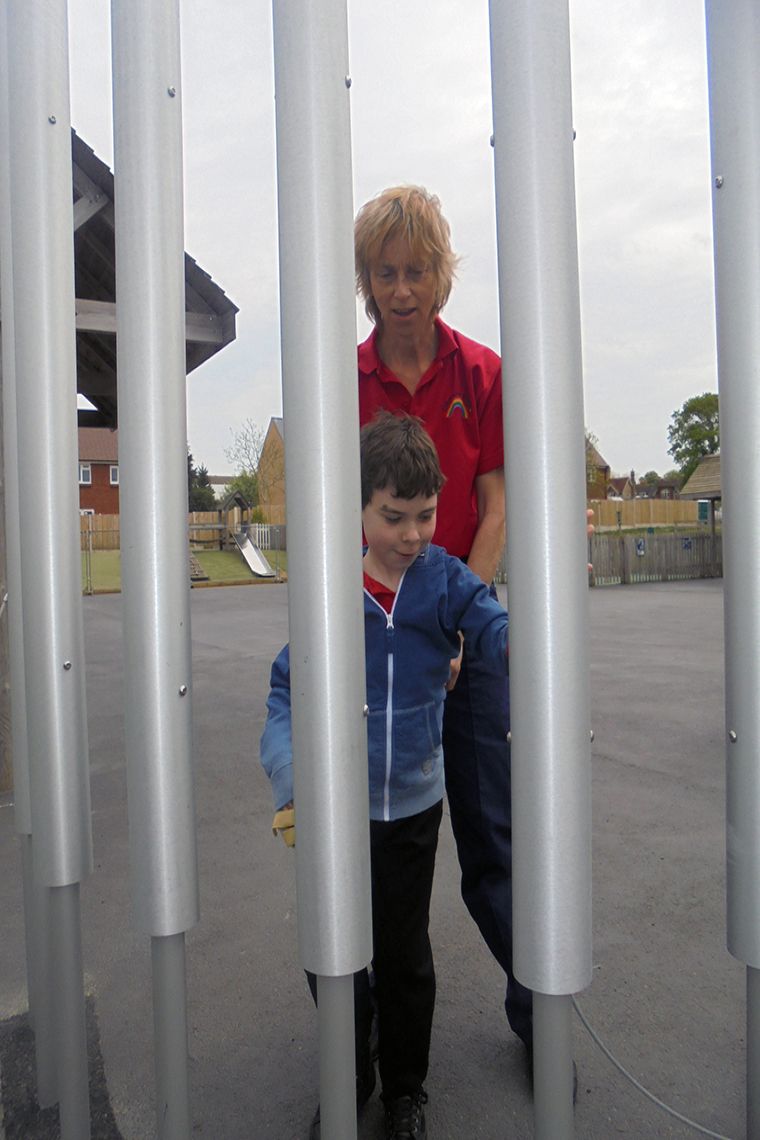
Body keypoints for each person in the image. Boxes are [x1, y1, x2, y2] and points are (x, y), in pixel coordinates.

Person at [260, 412, 513, 1140]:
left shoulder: (444, 580)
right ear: (358, 510)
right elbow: (285, 690)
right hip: (335, 810)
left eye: (426, 516)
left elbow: (490, 620)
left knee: (405, 955)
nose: (412, 535)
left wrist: (522, 641)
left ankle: (405, 1089)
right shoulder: (332, 594)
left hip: (411, 810)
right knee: (333, 954)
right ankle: (353, 1070)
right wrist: (290, 778)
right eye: (393, 517)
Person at [354, 185, 534, 1057]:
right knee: (378, 859)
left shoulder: (483, 374)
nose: (400, 289)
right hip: (380, 656)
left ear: (440, 275)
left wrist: (460, 623)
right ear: (367, 279)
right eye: (384, 273)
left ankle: (541, 1015)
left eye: (415, 270)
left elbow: (494, 508)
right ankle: (376, 1043)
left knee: (491, 844)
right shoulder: (345, 378)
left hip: (462, 634)